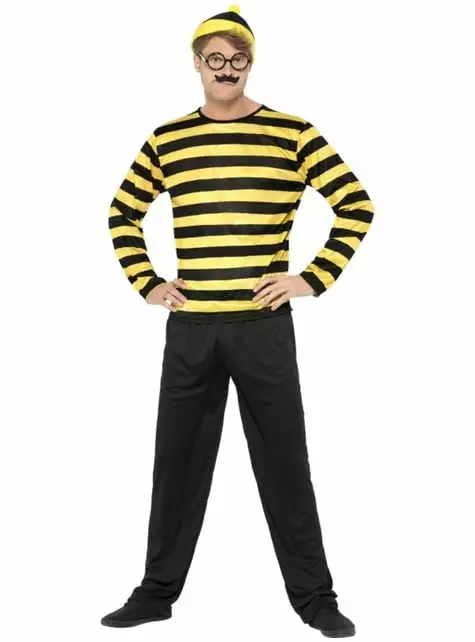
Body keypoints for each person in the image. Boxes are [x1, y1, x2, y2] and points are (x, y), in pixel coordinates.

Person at [102, 4, 374, 637]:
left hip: (262, 328)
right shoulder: (167, 139)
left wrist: (310, 277)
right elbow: (122, 211)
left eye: (238, 59)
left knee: (284, 463)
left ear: (251, 63)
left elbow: (356, 204)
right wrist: (147, 282)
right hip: (191, 328)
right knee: (177, 463)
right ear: (197, 63)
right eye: (215, 59)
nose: (226, 70)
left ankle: (316, 599)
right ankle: (156, 592)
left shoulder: (294, 133)